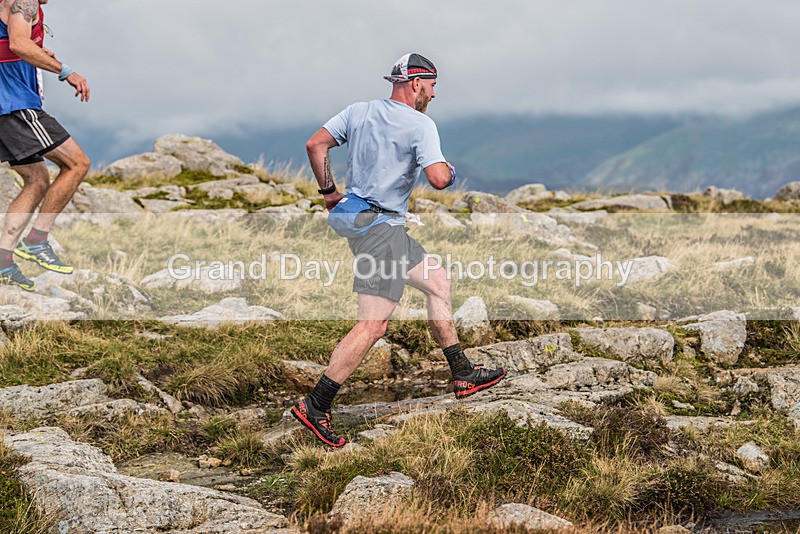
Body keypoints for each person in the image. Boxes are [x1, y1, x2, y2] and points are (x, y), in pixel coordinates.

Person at [292, 53, 506, 447]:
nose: (435, 93)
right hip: (381, 233)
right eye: (433, 84)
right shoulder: (421, 124)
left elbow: (315, 144)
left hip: (372, 223)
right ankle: (315, 405)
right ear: (416, 82)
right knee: (374, 325)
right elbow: (439, 179)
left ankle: (462, 373)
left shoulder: (358, 112)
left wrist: (328, 194)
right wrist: (452, 170)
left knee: (438, 282)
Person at [0, 0, 91, 291]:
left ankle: (3, 263)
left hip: (7, 107)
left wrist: (38, 52)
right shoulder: (22, 1)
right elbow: (18, 44)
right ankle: (37, 240)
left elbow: (14, 46)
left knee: (37, 179)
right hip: (14, 105)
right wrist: (67, 71)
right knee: (77, 163)